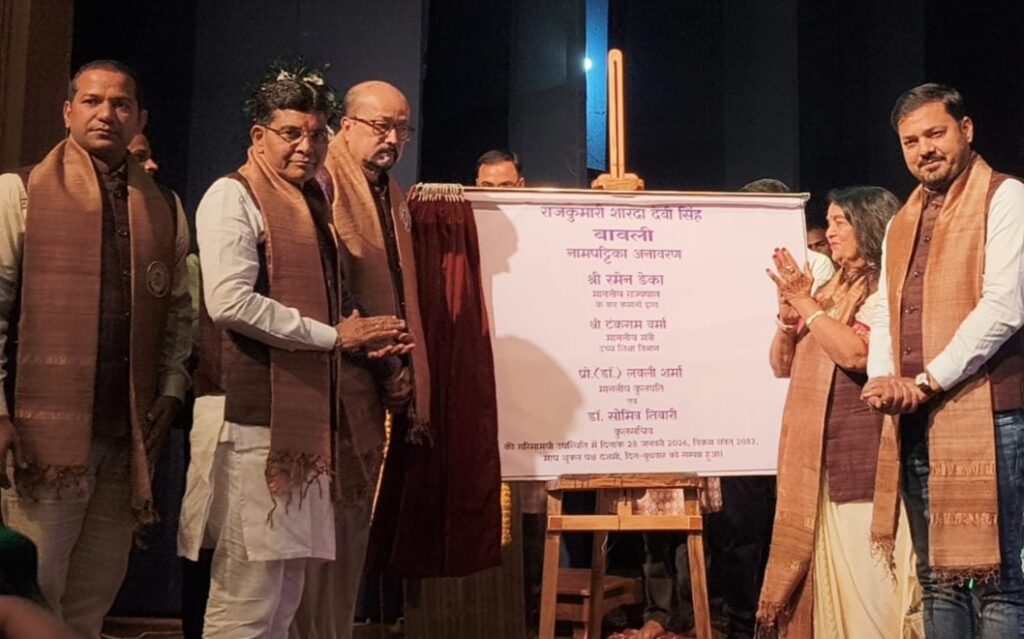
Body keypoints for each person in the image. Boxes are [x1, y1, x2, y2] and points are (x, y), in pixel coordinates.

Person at [176, 65, 413, 638]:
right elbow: (230, 303)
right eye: (290, 133)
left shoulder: (309, 202)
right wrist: (336, 337)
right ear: (259, 136)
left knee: (282, 598)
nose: (306, 146)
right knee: (248, 599)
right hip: (252, 422)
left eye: (316, 133)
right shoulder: (232, 195)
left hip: (298, 431)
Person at [0, 59, 191, 638]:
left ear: (140, 119)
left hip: (125, 437)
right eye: (91, 101)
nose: (106, 113)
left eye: (120, 104)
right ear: (67, 112)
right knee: (35, 593)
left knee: (93, 595)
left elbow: (178, 315)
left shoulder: (164, 207)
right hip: (41, 441)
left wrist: (171, 390)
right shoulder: (19, 192)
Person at [863, 83, 1024, 638]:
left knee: (999, 581)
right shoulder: (901, 220)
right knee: (936, 579)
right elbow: (886, 309)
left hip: (993, 417)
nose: (924, 149)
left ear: (966, 129)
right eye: (911, 141)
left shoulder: (1006, 197)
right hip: (915, 418)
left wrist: (927, 381)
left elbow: (1004, 306)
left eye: (935, 133)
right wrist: (884, 379)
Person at [291, 80, 431, 639]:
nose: (392, 138)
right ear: (345, 127)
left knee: (348, 540)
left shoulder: (388, 191)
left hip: (370, 390)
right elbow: (333, 286)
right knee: (316, 543)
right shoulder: (324, 181)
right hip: (330, 388)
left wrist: (402, 370)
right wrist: (387, 366)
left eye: (402, 128)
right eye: (380, 125)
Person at [758, 186, 921, 637]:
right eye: (828, 222)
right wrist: (786, 318)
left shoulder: (885, 286)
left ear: (868, 224)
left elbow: (856, 354)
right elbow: (781, 365)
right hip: (819, 459)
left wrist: (806, 305)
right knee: (832, 594)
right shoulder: (830, 291)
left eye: (839, 222)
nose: (829, 232)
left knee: (871, 583)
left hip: (863, 456)